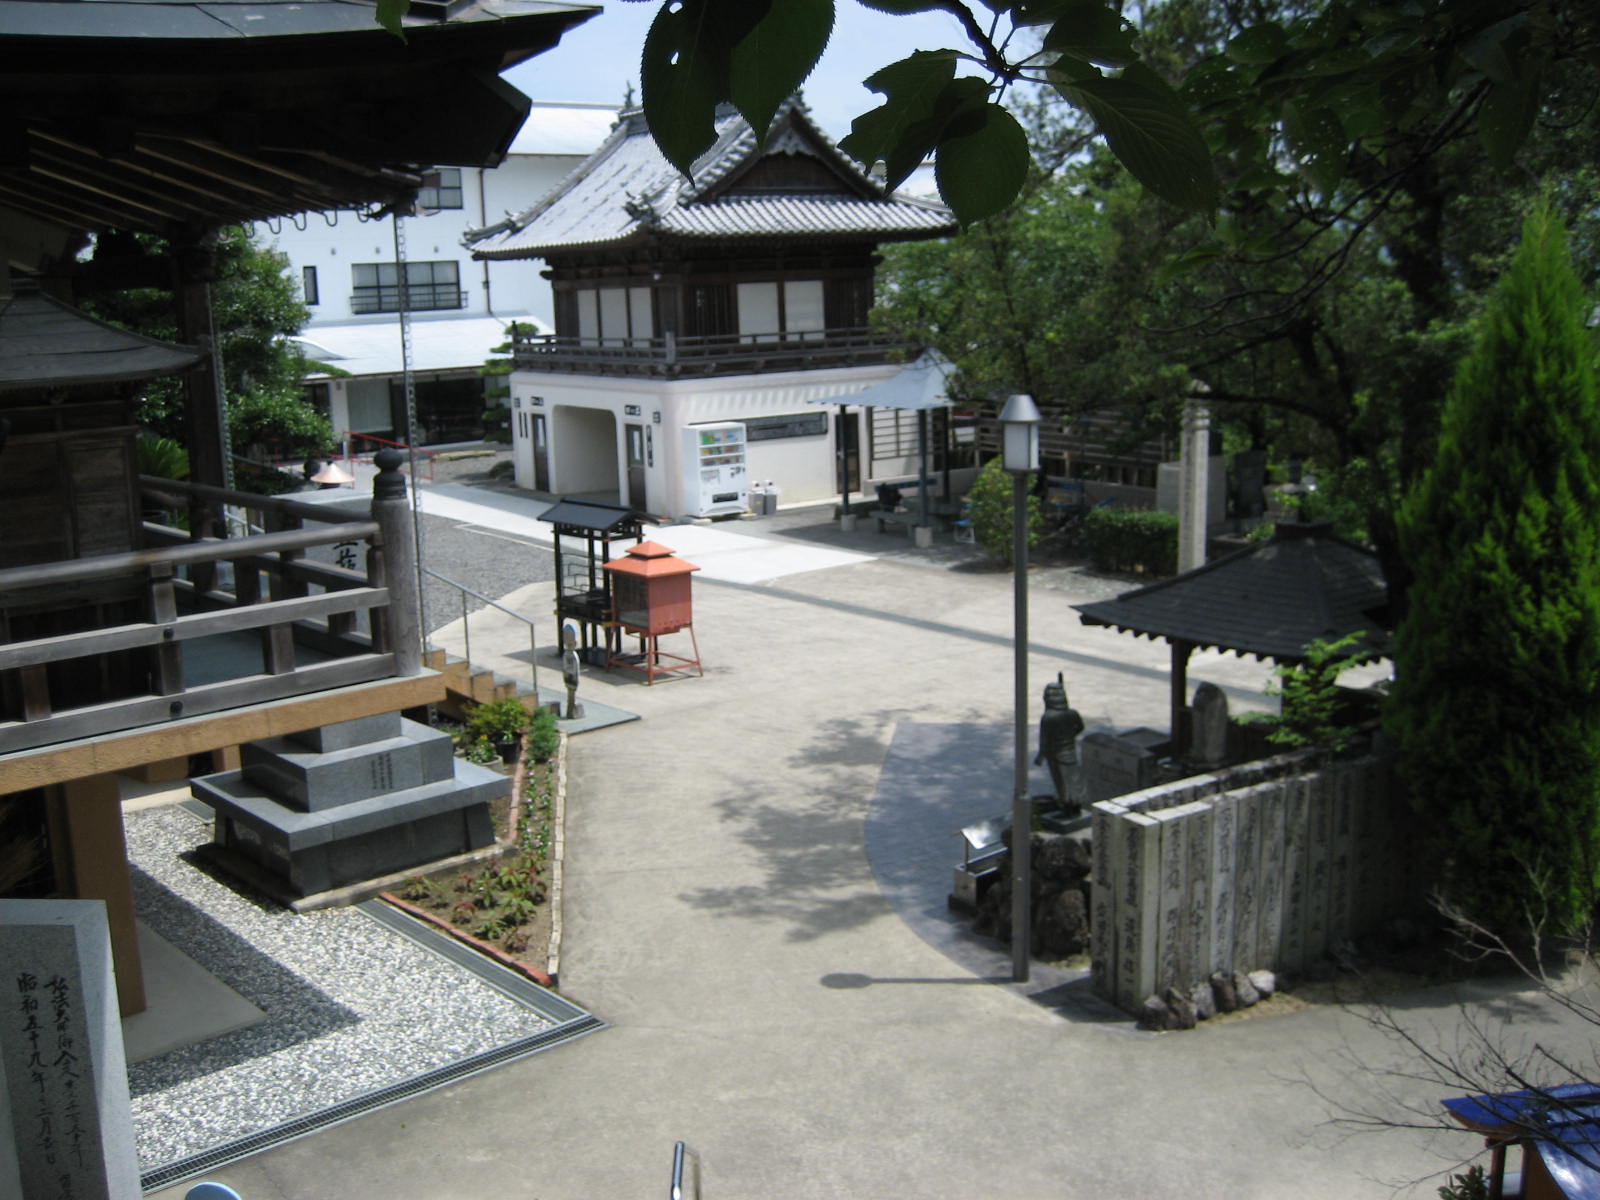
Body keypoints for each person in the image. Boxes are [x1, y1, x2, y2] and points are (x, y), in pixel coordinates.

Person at [1035, 675, 1086, 813]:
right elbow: (1080, 727)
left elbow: (1044, 740)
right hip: (1070, 750)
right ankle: (1076, 804)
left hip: (1055, 754)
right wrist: (1070, 737)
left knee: (1061, 781)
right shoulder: (1073, 713)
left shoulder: (1048, 717)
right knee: (1073, 779)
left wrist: (1041, 756)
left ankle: (1066, 806)